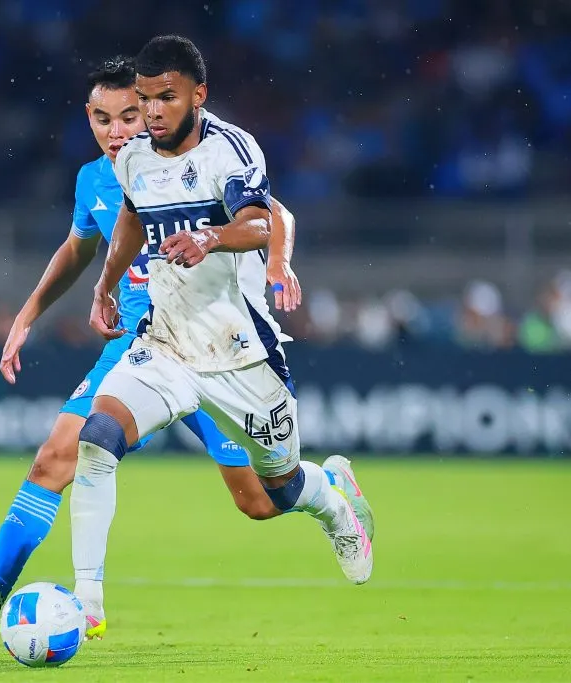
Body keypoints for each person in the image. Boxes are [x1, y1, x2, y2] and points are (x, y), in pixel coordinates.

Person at [0, 55, 343, 644]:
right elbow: (78, 247)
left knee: (263, 502)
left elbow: (274, 212)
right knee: (60, 454)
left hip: (221, 346)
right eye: (101, 118)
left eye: (127, 116)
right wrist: (29, 312)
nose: (115, 130)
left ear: (149, 111)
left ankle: (329, 491)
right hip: (147, 347)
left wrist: (276, 264)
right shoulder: (97, 178)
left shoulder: (195, 157)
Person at [69, 36, 375, 634]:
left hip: (240, 355)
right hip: (165, 345)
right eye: (145, 99)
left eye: (166, 98)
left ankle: (333, 496)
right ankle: (88, 604)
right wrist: (105, 283)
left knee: (275, 493)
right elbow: (132, 213)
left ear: (197, 96)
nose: (152, 112)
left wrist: (209, 238)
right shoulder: (133, 157)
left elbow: (262, 220)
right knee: (97, 440)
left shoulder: (229, 151)